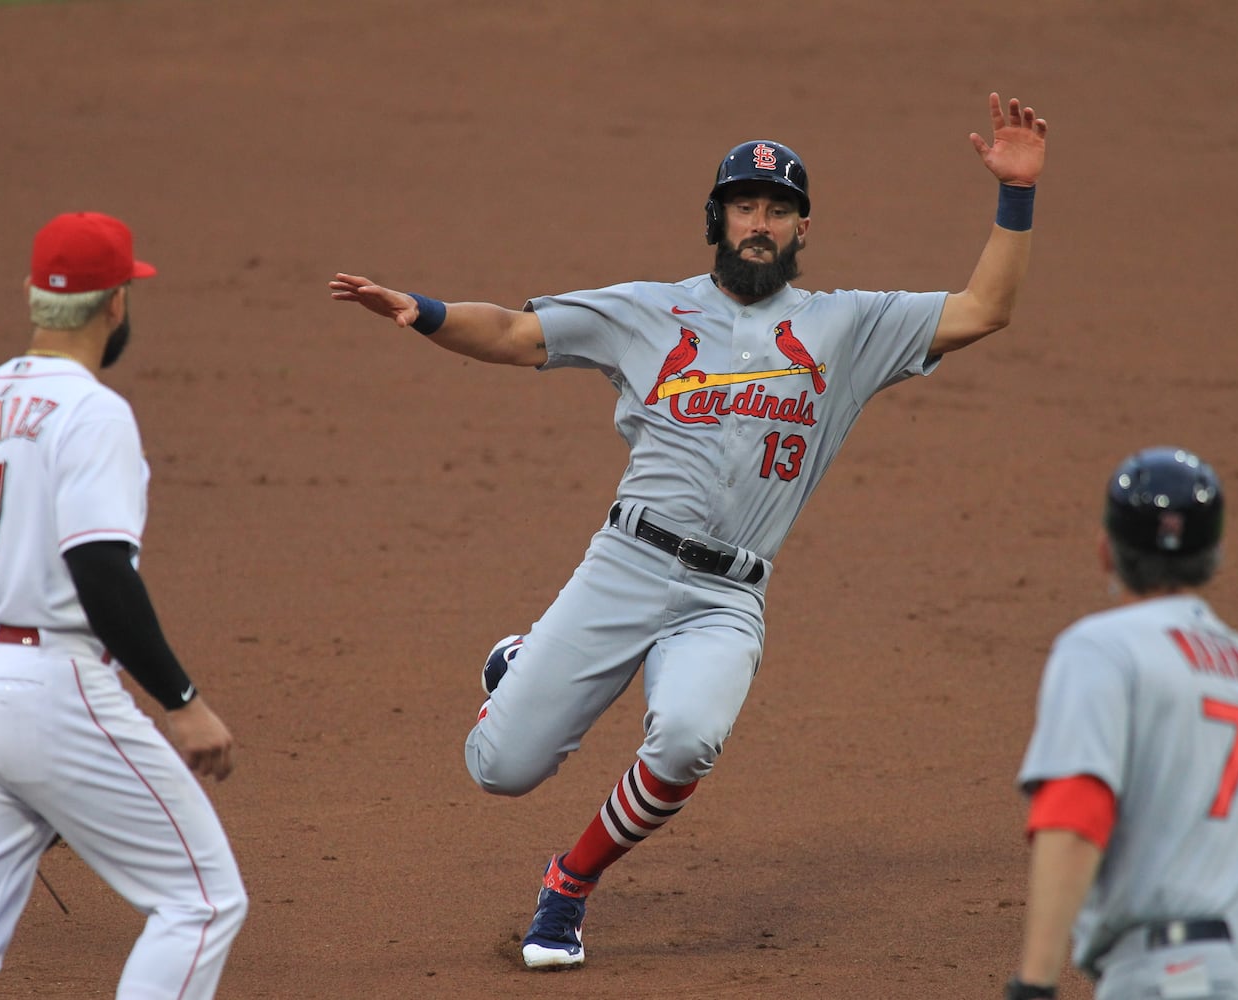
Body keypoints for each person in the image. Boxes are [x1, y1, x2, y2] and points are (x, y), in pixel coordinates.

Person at [331, 91, 1047, 969]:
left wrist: (1015, 196)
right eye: (745, 205)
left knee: (687, 739)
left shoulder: (848, 327)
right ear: (717, 217)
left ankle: (570, 885)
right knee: (499, 769)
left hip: (726, 595)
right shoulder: (647, 310)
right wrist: (426, 312)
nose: (760, 223)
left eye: (778, 210)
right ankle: (516, 667)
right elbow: (519, 332)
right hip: (627, 563)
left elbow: (985, 308)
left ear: (802, 228)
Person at [0, 212, 248, 999]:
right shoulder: (91, 412)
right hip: (47, 688)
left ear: (31, 295)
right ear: (116, 303)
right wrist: (181, 701)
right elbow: (98, 566)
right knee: (202, 899)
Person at [1003, 447, 1238, 1000]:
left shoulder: (1100, 648)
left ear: (1105, 552)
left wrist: (1034, 984)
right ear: (1214, 556)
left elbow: (1076, 807)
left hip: (1182, 977)